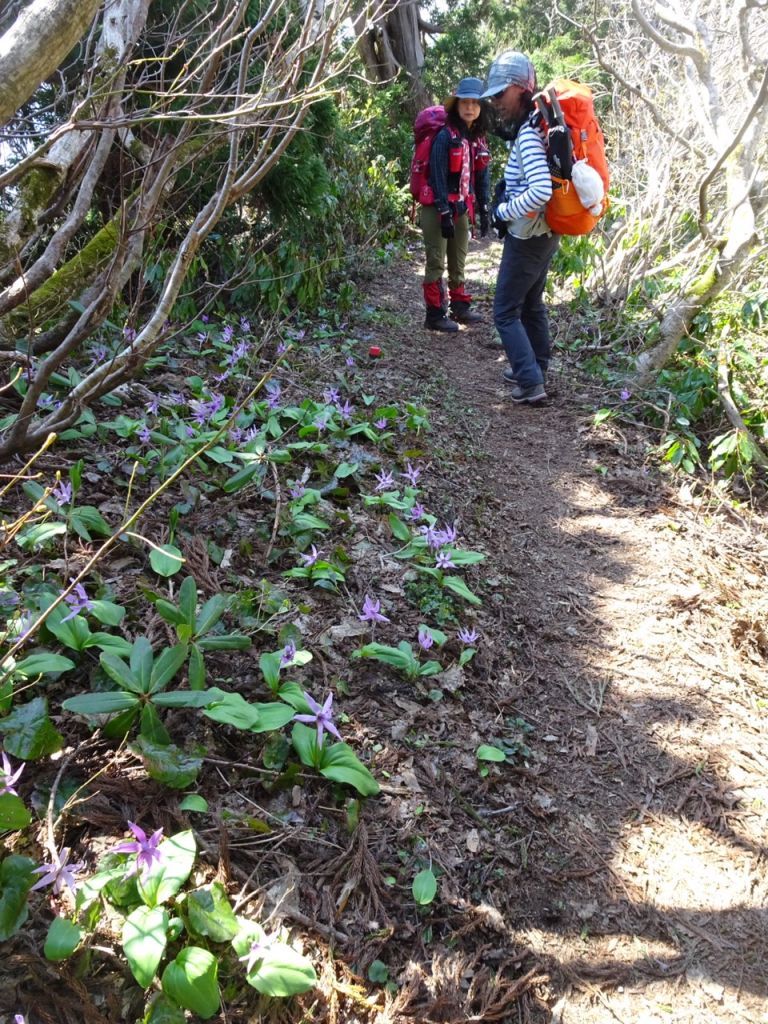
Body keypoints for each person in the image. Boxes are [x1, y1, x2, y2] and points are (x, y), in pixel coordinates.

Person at [482, 51, 560, 404]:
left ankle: (530, 383)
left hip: (527, 234)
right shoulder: (535, 128)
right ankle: (535, 368)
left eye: (500, 94)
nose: (496, 102)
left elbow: (541, 190)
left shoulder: (529, 134)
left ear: (519, 90)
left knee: (504, 310)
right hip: (544, 234)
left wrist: (503, 212)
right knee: (531, 304)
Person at [421, 77, 491, 333]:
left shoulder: (476, 138)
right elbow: (437, 174)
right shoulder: (445, 135)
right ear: (456, 105)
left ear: (481, 108)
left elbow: (481, 176)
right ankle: (435, 314)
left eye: (475, 103)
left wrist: (485, 210)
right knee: (436, 261)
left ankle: (459, 307)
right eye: (465, 102)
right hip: (437, 208)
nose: (470, 107)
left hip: (460, 207)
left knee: (458, 260)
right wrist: (442, 210)